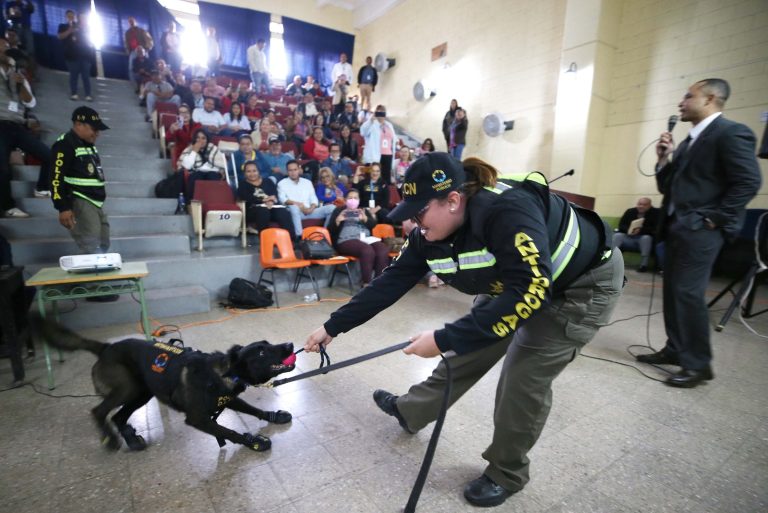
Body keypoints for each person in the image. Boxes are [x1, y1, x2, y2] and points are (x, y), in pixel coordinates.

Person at [304, 153, 623, 508]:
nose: (412, 223)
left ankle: (506, 473)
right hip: (516, 281)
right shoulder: (428, 234)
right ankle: (412, 412)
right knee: (466, 350)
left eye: (419, 213)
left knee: (522, 378)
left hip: (578, 285)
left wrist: (442, 338)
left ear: (453, 200)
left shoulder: (506, 210)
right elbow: (390, 282)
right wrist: (333, 326)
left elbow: (532, 289)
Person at [637, 78, 761, 388]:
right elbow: (667, 187)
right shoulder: (689, 142)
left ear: (709, 99)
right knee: (673, 291)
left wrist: (713, 219)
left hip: (701, 229)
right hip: (676, 227)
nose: (681, 102)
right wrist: (663, 158)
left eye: (688, 96)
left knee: (688, 293)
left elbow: (748, 181)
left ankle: (698, 365)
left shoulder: (731, 132)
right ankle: (675, 349)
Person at [50, 107, 112, 256]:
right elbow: (55, 178)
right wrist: (63, 207)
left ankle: (100, 268)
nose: (97, 133)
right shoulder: (65, 144)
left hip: (96, 201)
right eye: (94, 129)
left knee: (104, 241)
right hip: (80, 199)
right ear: (78, 124)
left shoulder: (88, 145)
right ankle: (93, 271)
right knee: (91, 244)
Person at [0, 38, 50, 216]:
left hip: (17, 125)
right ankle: (8, 207)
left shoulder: (18, 75)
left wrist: (21, 84)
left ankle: (42, 188)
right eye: (1, 46)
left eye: (6, 46)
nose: (5, 49)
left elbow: (30, 103)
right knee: (2, 168)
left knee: (50, 155)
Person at [326, 188, 389, 285]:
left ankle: (378, 283)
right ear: (345, 200)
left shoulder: (363, 210)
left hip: (365, 239)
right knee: (367, 250)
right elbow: (330, 229)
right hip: (346, 240)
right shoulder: (339, 210)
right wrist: (337, 221)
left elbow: (372, 224)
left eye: (355, 198)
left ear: (359, 200)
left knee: (383, 249)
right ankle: (367, 284)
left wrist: (365, 219)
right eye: (350, 198)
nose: (353, 200)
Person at [277, 160, 336, 239]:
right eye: (290, 170)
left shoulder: (307, 182)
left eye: (295, 169)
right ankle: (299, 237)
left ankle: (324, 235)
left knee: (332, 208)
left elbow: (314, 199)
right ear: (287, 171)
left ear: (299, 169)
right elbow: (283, 200)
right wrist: (300, 205)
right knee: (294, 208)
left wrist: (311, 208)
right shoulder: (282, 183)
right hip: (295, 213)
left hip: (309, 211)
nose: (293, 172)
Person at [237, 160, 294, 235]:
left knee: (282, 211)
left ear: (258, 171)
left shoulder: (268, 181)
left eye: (254, 171)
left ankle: (291, 238)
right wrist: (264, 200)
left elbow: (274, 194)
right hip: (253, 210)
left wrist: (271, 201)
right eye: (248, 171)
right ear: (244, 173)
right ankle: (265, 238)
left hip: (271, 207)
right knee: (263, 211)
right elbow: (247, 197)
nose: (252, 174)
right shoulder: (243, 185)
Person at [612, 197, 660, 272]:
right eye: (639, 204)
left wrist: (641, 231)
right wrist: (628, 230)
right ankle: (610, 261)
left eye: (644, 205)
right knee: (617, 236)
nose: (641, 206)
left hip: (642, 238)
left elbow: (656, 228)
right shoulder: (630, 211)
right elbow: (621, 225)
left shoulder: (656, 213)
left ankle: (643, 265)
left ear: (650, 205)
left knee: (646, 238)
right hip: (629, 236)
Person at [178, 128, 226, 199]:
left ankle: (214, 201)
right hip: (196, 171)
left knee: (212, 176)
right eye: (198, 138)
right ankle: (191, 202)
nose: (200, 140)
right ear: (195, 139)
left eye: (203, 138)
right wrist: (194, 151)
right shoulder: (189, 149)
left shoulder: (213, 148)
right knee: (196, 177)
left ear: (207, 140)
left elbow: (222, 164)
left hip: (213, 172)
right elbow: (187, 166)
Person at [58, 10, 93, 101]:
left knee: (86, 76)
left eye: (72, 15)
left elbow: (88, 38)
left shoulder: (80, 26)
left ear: (75, 17)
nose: (71, 17)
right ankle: (74, 94)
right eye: (69, 16)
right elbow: (60, 36)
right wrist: (69, 31)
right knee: (73, 75)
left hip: (85, 55)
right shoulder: (63, 26)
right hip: (72, 56)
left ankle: (88, 95)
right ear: (66, 16)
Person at [360, 105, 396, 184]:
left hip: (388, 155)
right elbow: (363, 132)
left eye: (383, 112)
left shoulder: (389, 125)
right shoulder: (371, 124)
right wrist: (370, 120)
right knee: (371, 178)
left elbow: (393, 140)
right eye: (379, 112)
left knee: (385, 180)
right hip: (373, 156)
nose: (381, 114)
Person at [124, 17, 153, 88]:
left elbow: (149, 40)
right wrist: (128, 51)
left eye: (132, 21)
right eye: (130, 22)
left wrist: (147, 49)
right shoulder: (127, 33)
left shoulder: (142, 30)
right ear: (128, 23)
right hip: (133, 51)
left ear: (135, 22)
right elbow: (126, 43)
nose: (131, 23)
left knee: (147, 67)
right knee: (131, 68)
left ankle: (147, 84)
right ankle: (134, 85)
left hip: (143, 50)